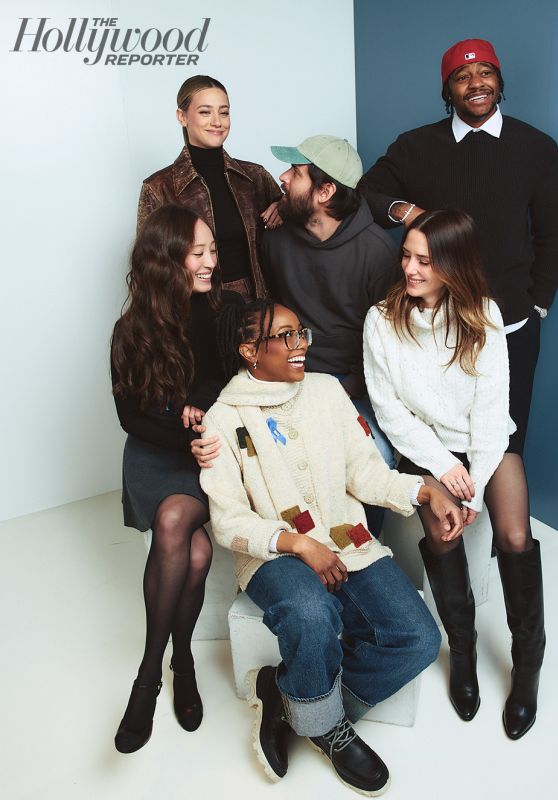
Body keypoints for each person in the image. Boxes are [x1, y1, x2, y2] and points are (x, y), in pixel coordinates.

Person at [199, 299, 465, 794]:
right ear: (249, 351)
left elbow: (362, 472)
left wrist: (423, 489)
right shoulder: (222, 418)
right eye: (285, 337)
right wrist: (298, 543)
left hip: (348, 541)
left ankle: (291, 702)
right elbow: (229, 520)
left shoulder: (326, 393)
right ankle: (330, 731)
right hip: (273, 554)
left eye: (302, 333)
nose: (300, 345)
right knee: (311, 613)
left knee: (419, 640)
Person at [363, 209, 545, 740]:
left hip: (484, 444)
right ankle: (461, 654)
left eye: (425, 260)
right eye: (406, 256)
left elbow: (491, 412)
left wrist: (476, 487)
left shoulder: (483, 314)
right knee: (442, 539)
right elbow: (390, 411)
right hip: (426, 450)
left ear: (453, 264)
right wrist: (443, 469)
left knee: (515, 535)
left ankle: (527, 667)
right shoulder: (383, 319)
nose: (411, 269)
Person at [358, 38, 558, 457]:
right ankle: (447, 519)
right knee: (437, 438)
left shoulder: (537, 147)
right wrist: (407, 211)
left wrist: (538, 302)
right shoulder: (416, 146)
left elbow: (551, 232)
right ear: (447, 92)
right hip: (437, 325)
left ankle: (501, 519)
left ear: (499, 82)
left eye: (485, 72)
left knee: (505, 441)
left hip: (511, 322)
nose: (476, 83)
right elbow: (368, 192)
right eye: (461, 77)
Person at [110, 204, 242, 753]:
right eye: (199, 252)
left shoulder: (225, 308)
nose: (213, 260)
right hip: (153, 451)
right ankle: (178, 662)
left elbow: (231, 379)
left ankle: (148, 677)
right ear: (168, 261)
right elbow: (129, 417)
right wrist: (178, 431)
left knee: (174, 523)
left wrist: (197, 408)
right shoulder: (131, 328)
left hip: (203, 453)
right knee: (195, 555)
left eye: (213, 249)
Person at [262, 135, 400, 533]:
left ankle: (364, 552)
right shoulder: (276, 238)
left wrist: (348, 388)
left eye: (296, 172)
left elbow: (389, 345)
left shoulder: (376, 252)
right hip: (293, 381)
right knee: (274, 463)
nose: (283, 178)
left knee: (376, 458)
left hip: (353, 385)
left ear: (325, 191)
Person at [137, 75, 282, 300]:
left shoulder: (255, 177)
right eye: (205, 112)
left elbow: (302, 223)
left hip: (256, 306)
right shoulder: (158, 187)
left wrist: (285, 206)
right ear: (182, 117)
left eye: (224, 112)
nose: (217, 121)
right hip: (193, 311)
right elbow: (150, 266)